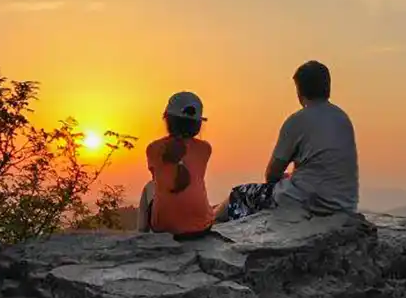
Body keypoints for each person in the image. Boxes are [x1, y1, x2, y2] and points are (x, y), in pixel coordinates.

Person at [216, 60, 358, 221]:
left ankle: (210, 220)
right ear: (328, 87)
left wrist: (286, 178)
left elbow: (271, 175)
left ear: (299, 91)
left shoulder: (297, 121)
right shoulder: (342, 119)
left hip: (308, 204)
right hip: (344, 205)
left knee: (240, 194)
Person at [137, 91, 214, 238]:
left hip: (164, 227)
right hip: (200, 229)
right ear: (198, 124)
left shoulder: (153, 149)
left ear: (167, 119)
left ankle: (141, 235)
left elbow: (158, 180)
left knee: (149, 187)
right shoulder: (205, 149)